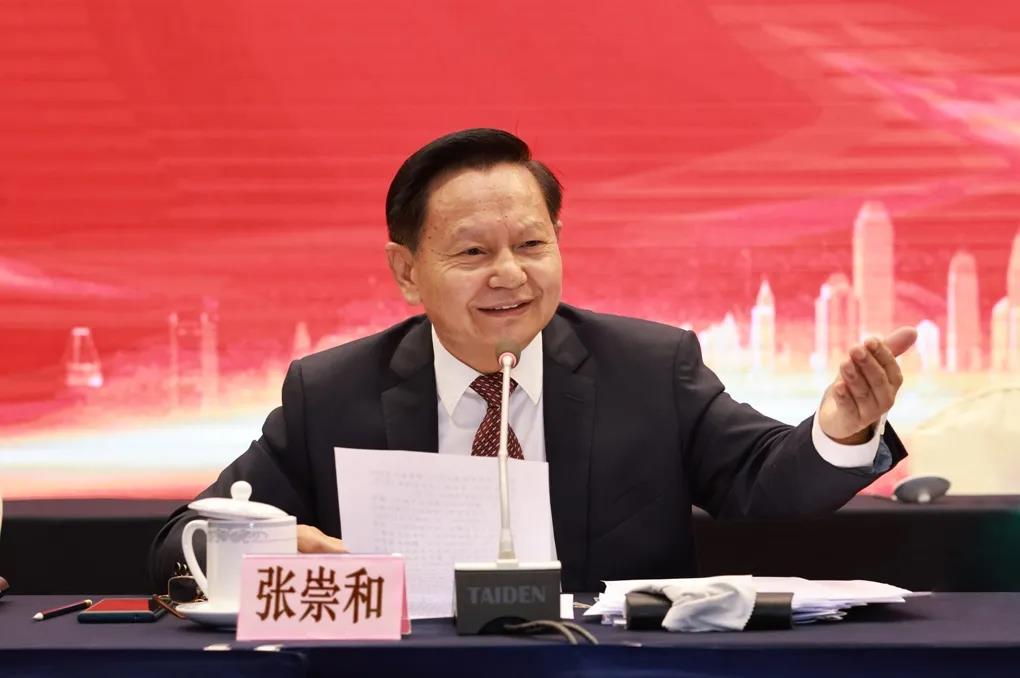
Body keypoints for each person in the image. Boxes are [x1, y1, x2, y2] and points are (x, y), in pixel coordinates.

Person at [150, 128, 914, 593]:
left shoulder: (650, 369)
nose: (510, 275)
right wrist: (259, 549)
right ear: (407, 272)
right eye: (473, 253)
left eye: (532, 244)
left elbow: (768, 484)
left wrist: (841, 429)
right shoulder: (332, 393)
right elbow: (178, 545)